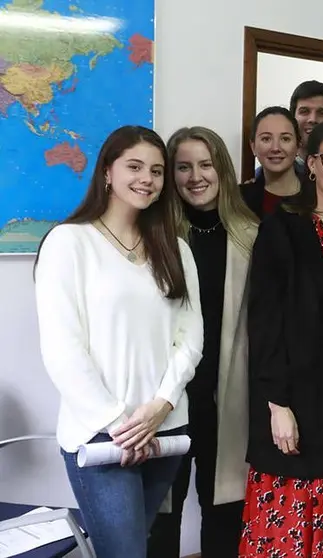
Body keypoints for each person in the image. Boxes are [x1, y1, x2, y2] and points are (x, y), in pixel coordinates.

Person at [33, 125, 203, 557]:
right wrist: (120, 426)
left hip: (165, 429)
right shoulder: (69, 242)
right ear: (107, 172)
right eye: (135, 167)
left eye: (157, 171)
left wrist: (161, 405)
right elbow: (63, 348)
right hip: (101, 435)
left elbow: (190, 337)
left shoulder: (176, 248)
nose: (147, 179)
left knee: (134, 547)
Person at [240, 119, 323, 557]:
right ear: (311, 163)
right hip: (301, 398)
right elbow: (264, 324)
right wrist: (277, 405)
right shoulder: (284, 228)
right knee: (295, 519)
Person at [147, 126, 259, 558]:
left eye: (205, 165)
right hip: (169, 396)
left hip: (228, 395)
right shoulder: (153, 237)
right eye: (183, 167)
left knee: (224, 513)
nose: (196, 177)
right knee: (160, 515)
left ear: (222, 170)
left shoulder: (251, 235)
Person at [254, 80, 323, 179]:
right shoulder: (265, 176)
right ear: (292, 119)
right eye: (304, 111)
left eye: (322, 113)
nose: (312, 119)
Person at [242, 106, 306, 219]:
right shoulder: (239, 199)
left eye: (285, 139)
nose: (275, 148)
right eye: (266, 139)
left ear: (298, 146)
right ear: (253, 147)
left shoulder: (318, 195)